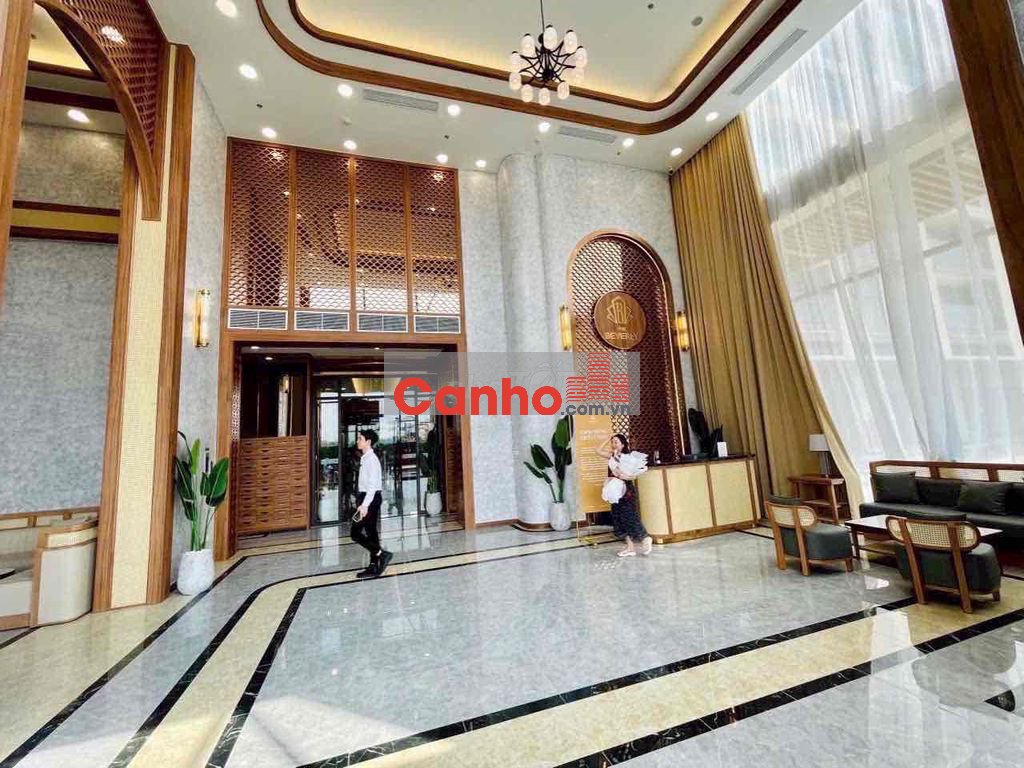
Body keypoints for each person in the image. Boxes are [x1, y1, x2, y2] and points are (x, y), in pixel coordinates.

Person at [596, 433, 653, 557]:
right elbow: (598, 451)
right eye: (612, 442)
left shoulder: (628, 458)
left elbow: (633, 476)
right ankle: (630, 547)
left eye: (616, 442)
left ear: (623, 444)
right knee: (618, 518)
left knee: (629, 515)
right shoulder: (612, 456)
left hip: (626, 491)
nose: (613, 444)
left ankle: (644, 538)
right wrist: (607, 439)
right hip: (614, 491)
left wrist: (625, 476)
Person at [351, 428, 393, 578]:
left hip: (370, 498)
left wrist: (365, 505)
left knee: (355, 533)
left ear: (368, 442)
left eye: (360, 439)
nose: (357, 441)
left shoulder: (372, 460)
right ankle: (374, 565)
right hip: (366, 498)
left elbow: (372, 486)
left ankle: (382, 554)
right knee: (371, 532)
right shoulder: (365, 458)